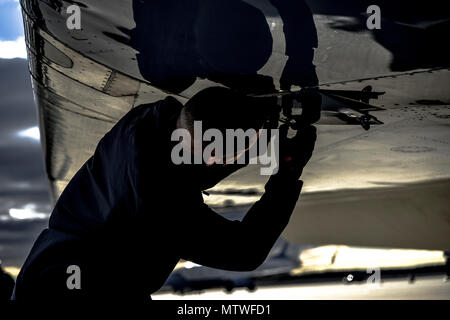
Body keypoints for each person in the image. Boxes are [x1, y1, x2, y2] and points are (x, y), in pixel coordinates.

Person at [13, 87, 316, 300]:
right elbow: (244, 251)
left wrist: (259, 125)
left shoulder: (145, 122)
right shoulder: (161, 207)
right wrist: (286, 176)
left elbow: (196, 146)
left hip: (48, 279)